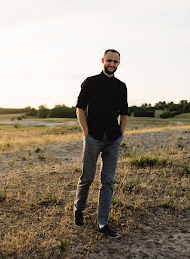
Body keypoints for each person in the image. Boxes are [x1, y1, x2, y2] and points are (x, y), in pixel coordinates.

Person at [73, 49, 128, 238]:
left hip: (113, 139)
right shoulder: (90, 82)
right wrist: (86, 133)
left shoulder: (121, 86)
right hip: (93, 138)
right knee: (87, 177)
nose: (112, 64)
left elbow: (124, 112)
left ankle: (103, 223)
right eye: (110, 60)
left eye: (116, 62)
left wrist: (120, 134)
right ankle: (79, 209)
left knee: (108, 181)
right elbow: (80, 108)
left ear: (119, 64)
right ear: (103, 60)